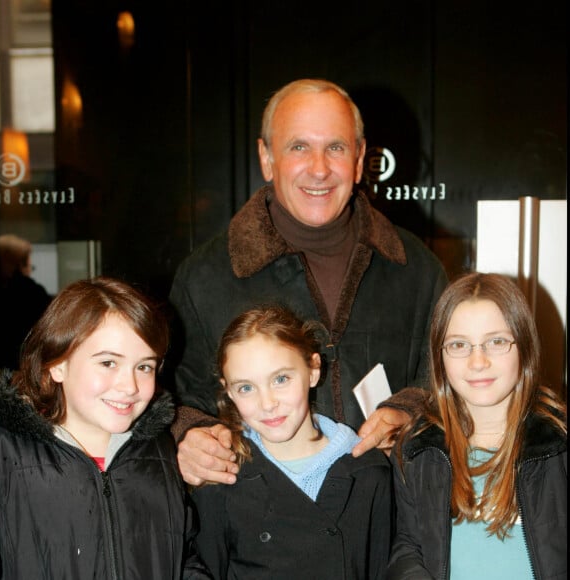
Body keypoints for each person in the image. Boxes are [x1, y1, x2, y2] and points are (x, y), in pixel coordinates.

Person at [168, 78, 448, 486]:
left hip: (388, 527)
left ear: (358, 159)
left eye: (335, 147)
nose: (319, 168)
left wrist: (408, 412)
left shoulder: (418, 270)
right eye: (299, 147)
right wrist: (188, 434)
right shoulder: (205, 276)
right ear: (266, 158)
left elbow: (445, 383)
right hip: (259, 533)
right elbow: (176, 395)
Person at [0, 276, 213, 580]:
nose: (130, 386)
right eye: (108, 363)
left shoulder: (158, 452)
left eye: (144, 366)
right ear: (57, 364)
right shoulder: (4, 455)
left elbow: (182, 557)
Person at [387, 272, 567, 580]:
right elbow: (407, 545)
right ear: (439, 356)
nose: (477, 361)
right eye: (459, 345)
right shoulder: (416, 449)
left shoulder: (557, 446)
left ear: (524, 347)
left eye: (496, 342)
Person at [192, 305, 392, 579]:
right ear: (229, 391)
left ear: (313, 370)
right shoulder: (222, 475)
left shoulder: (369, 472)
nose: (268, 403)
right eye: (246, 388)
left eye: (281, 379)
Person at [0, 233, 52, 370]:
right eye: (28, 263)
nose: (30, 269)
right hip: (21, 368)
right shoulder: (32, 293)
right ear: (20, 263)